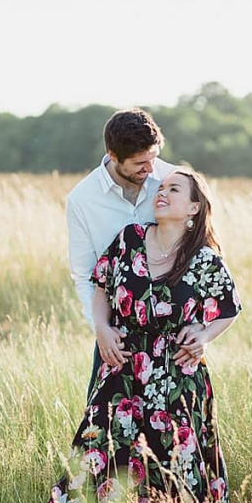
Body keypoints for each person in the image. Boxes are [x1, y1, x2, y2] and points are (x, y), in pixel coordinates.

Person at [41, 168, 241, 503]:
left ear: (194, 207)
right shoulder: (129, 239)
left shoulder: (205, 259)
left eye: (174, 189)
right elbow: (100, 285)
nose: (162, 193)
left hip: (178, 374)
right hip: (122, 366)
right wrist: (101, 328)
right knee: (96, 449)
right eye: (161, 188)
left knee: (175, 462)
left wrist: (205, 335)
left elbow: (229, 308)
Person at [66, 108, 203, 400]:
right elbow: (84, 274)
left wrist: (200, 328)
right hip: (117, 338)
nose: (150, 170)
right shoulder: (82, 199)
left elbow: (202, 251)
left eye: (153, 158)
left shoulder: (171, 179)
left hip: (173, 338)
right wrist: (101, 329)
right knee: (106, 432)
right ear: (113, 156)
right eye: (141, 163)